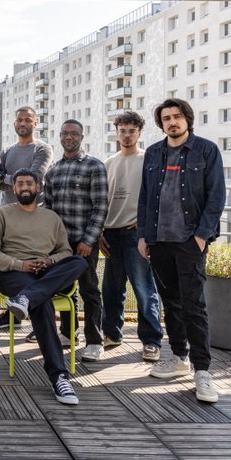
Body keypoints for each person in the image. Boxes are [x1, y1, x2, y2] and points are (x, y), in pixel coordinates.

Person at [138, 98, 225, 403]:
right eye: (166, 118)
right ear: (161, 123)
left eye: (177, 116)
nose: (172, 122)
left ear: (187, 119)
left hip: (190, 241)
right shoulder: (153, 152)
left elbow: (216, 196)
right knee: (171, 303)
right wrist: (143, 235)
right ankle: (178, 358)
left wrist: (201, 236)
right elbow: (145, 197)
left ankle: (203, 372)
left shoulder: (206, 150)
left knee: (194, 305)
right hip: (159, 241)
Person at [0, 169, 87, 405]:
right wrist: (20, 265)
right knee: (42, 303)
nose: (24, 187)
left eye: (29, 183)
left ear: (38, 187)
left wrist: (49, 261)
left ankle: (26, 299)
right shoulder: (1, 214)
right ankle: (59, 377)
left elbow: (65, 251)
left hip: (46, 271)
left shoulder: (51, 217)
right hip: (15, 273)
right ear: (14, 188)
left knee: (79, 262)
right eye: (19, 184)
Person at [99, 111, 163, 362]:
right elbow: (101, 200)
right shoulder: (108, 163)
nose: (127, 135)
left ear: (139, 133)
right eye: (122, 131)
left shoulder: (148, 160)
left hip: (136, 234)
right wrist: (100, 232)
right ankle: (111, 334)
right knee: (111, 289)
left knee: (143, 288)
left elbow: (158, 195)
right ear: (116, 133)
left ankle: (151, 341)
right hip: (110, 233)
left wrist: (146, 224)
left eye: (132, 131)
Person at [43, 120, 108, 362]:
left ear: (81, 137)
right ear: (60, 137)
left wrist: (89, 240)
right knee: (63, 290)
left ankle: (94, 341)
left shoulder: (94, 166)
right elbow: (48, 208)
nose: (69, 137)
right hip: (60, 245)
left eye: (74, 134)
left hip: (84, 242)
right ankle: (69, 333)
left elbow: (101, 207)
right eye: (64, 133)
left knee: (89, 289)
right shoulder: (53, 170)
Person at [0, 105, 53, 329]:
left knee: (36, 267)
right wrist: (12, 179)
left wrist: (9, 179)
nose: (23, 123)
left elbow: (35, 177)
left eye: (28, 120)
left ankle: (39, 320)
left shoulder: (42, 148)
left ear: (35, 123)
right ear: (14, 123)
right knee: (11, 266)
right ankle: (13, 315)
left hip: (34, 216)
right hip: (8, 216)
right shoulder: (8, 151)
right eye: (20, 120)